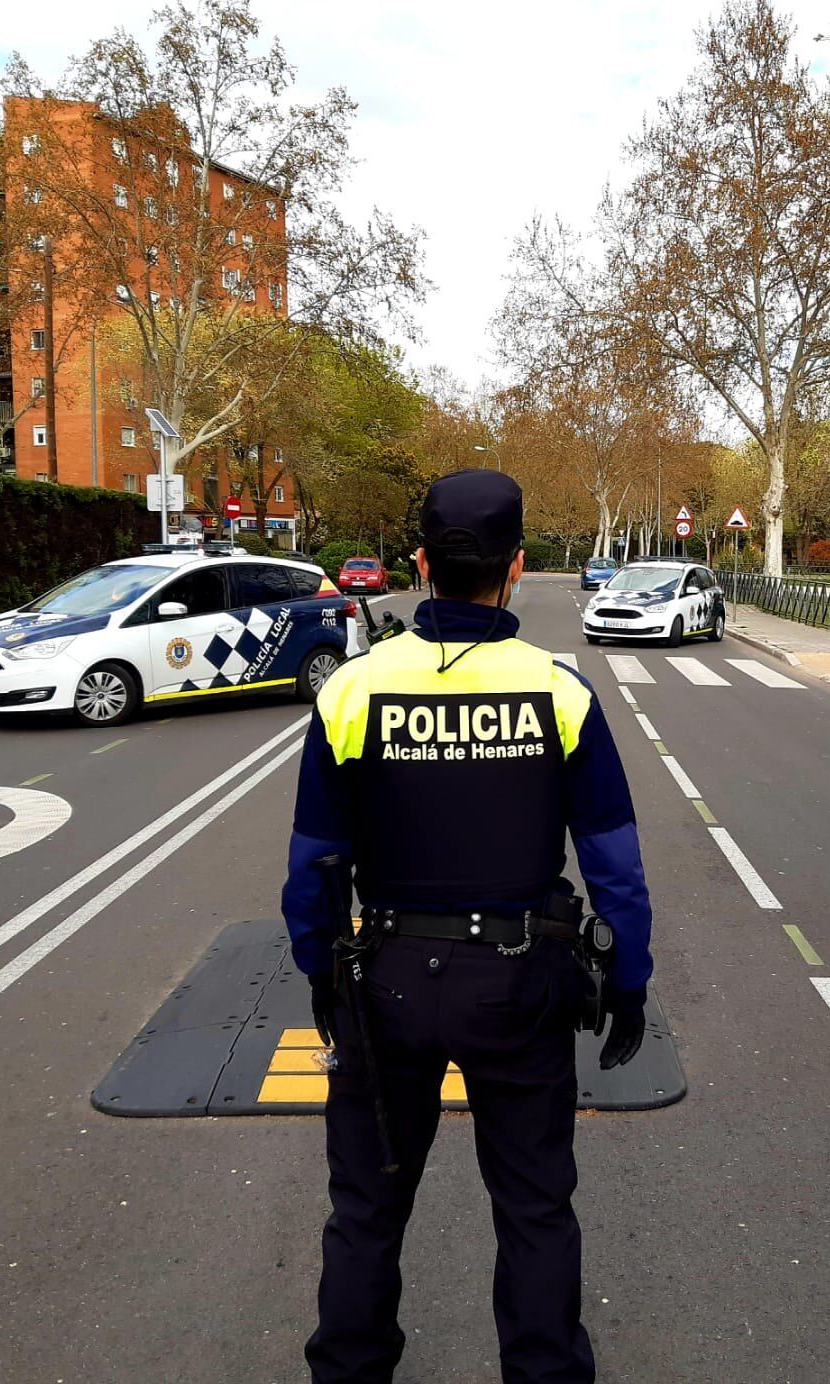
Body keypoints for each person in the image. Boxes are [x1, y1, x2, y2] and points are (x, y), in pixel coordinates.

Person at [282, 468, 653, 1384]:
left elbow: (313, 864)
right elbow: (614, 862)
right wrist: (631, 977)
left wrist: (322, 973)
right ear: (517, 568)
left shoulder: (354, 691)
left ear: (419, 564)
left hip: (388, 981)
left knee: (366, 1207)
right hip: (521, 980)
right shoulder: (559, 692)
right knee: (534, 1207)